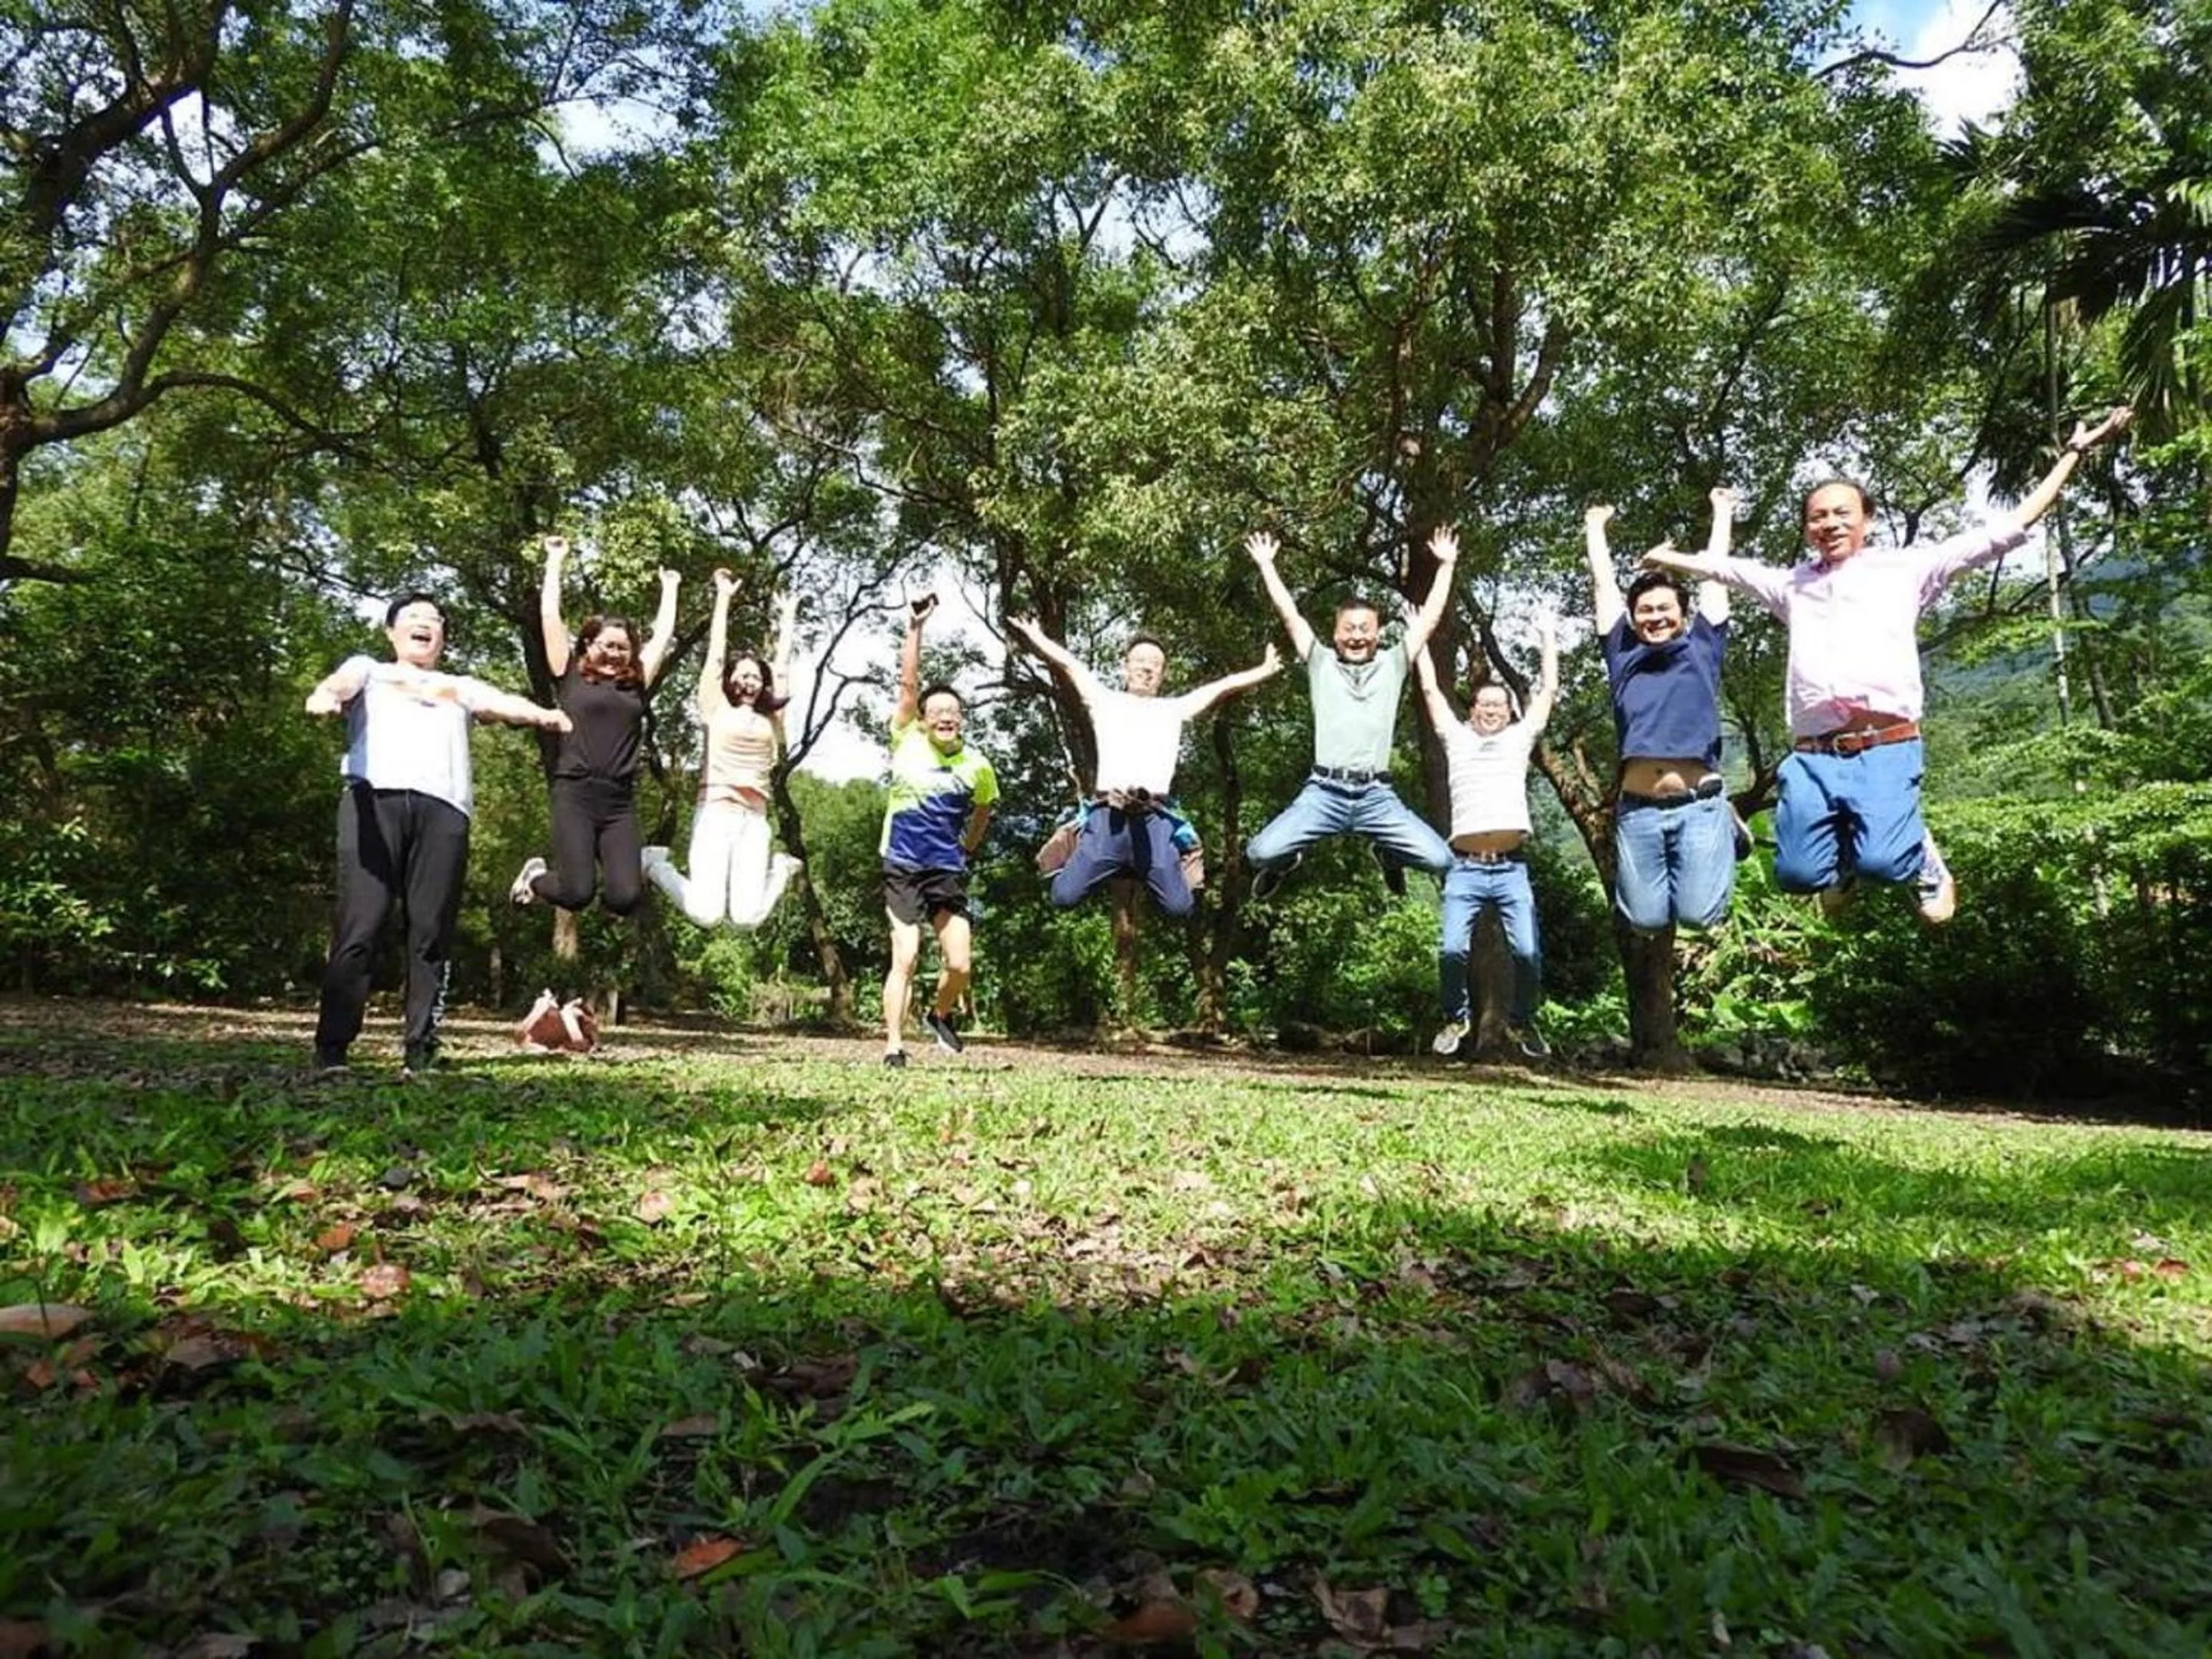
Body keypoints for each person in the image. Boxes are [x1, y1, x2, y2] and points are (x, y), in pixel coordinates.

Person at [1642, 408, 2132, 922]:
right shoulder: (1792, 585)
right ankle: (1844, 863)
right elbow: (1729, 570)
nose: (1829, 523)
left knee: (1887, 863)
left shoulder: (1908, 569)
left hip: (1886, 743)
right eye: (1818, 517)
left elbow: (2008, 528)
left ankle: (1922, 859)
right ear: (1808, 528)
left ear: (1867, 520)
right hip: (1813, 754)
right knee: (1797, 877)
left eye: (1841, 513)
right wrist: (1668, 560)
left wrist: (2074, 454)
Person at [306, 592, 569, 1075]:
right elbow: (342, 683)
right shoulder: (371, 669)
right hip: (374, 800)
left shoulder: (458, 685)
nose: (424, 625)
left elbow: (500, 701)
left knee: (431, 932)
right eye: (413, 618)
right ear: (392, 632)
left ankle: (420, 1048)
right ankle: (333, 1049)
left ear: (443, 636)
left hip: (445, 810)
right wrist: (327, 694)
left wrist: (543, 715)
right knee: (360, 926)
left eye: (434, 620)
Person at [1006, 616, 1281, 917]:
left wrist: (1264, 670)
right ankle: (1084, 843)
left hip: (1154, 822)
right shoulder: (1104, 700)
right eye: (1140, 661)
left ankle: (1146, 864)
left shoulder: (1174, 709)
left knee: (1180, 908)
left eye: (1155, 664)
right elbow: (1071, 665)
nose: (1147, 669)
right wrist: (1036, 635)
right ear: (1125, 666)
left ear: (1162, 674)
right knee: (1063, 896)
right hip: (1107, 819)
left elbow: (1222, 687)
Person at [1243, 526, 1461, 899]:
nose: (1357, 636)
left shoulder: (1394, 663)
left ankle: (1389, 854)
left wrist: (1447, 565)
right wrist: (1267, 566)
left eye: (1365, 629)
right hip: (1323, 793)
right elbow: (1290, 614)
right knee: (1260, 852)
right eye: (1349, 629)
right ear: (1336, 633)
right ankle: (1286, 863)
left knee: (1442, 861)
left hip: (1377, 796)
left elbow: (1429, 620)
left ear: (1378, 634)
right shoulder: (1320, 662)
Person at [1584, 490, 1738, 934]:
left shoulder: (1703, 646)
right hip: (1638, 811)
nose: (1655, 617)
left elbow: (1715, 576)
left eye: (1665, 609)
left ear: (1683, 613)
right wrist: (1595, 527)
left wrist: (1722, 513)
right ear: (1632, 618)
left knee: (1698, 915)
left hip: (1699, 806)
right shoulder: (1621, 654)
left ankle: (1729, 830)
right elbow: (1603, 585)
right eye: (1645, 610)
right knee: (1645, 921)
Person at [508, 536, 679, 918]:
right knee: (576, 892)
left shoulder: (634, 682)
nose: (616, 653)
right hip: (575, 794)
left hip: (619, 801)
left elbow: (662, 637)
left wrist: (670, 588)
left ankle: (639, 866)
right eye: (607, 645)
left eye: (623, 647)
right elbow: (550, 617)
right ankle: (536, 878)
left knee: (624, 898)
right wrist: (555, 562)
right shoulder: (568, 673)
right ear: (587, 644)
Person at [1413, 617, 1557, 1059]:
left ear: (1510, 711)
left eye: (1500, 704)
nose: (1492, 710)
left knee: (1528, 953)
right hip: (1465, 868)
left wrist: (1549, 638)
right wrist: (1418, 637)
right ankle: (1456, 1017)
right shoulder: (1456, 739)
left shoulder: (1519, 740)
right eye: (1484, 704)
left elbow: (1548, 691)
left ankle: (1521, 1021)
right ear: (1472, 710)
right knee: (1452, 950)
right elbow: (1432, 691)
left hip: (1512, 868)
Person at [642, 570, 803, 929]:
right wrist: (723, 598)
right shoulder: (714, 708)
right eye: (742, 674)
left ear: (762, 685)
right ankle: (655, 864)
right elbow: (715, 656)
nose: (749, 681)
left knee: (747, 919)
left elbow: (782, 670)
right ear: (731, 680)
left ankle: (781, 869)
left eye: (755, 676)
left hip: (755, 821)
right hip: (715, 813)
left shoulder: (772, 720)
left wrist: (788, 617)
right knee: (707, 913)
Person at [880, 595, 998, 1068]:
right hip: (903, 866)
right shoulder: (906, 738)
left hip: (945, 870)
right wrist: (914, 627)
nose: (946, 715)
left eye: (954, 710)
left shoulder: (977, 765)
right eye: (937, 710)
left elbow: (983, 811)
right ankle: (893, 1046)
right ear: (924, 718)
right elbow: (908, 684)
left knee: (960, 965)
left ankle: (939, 1014)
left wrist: (968, 846)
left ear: (962, 720)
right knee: (905, 956)